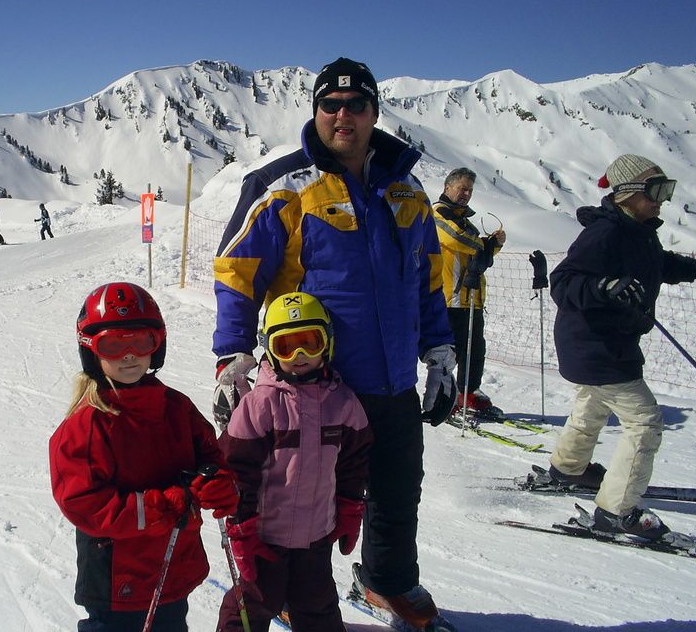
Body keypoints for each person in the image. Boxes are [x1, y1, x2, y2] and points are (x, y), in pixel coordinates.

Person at [212, 57, 457, 630]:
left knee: (398, 490)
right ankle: (292, 589)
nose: (343, 115)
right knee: (300, 500)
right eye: (331, 104)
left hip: (393, 382)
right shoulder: (283, 186)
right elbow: (236, 274)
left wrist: (440, 352)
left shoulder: (407, 189)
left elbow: (427, 279)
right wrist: (233, 354)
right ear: (317, 111)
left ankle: (386, 582)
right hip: (315, 385)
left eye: (356, 105)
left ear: (374, 112)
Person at [49, 282, 238, 632]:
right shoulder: (88, 424)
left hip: (172, 564)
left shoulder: (176, 407)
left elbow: (211, 457)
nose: (129, 355)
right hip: (117, 579)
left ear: (158, 345)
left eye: (141, 342)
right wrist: (157, 508)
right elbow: (82, 501)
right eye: (113, 345)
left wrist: (217, 483)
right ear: (91, 350)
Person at [548, 154, 696, 540]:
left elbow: (657, 264)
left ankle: (568, 468)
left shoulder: (636, 230)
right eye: (656, 190)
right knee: (645, 421)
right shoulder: (605, 233)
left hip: (599, 343)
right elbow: (563, 281)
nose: (663, 200)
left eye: (666, 190)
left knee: (592, 405)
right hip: (596, 345)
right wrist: (603, 287)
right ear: (627, 193)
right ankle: (617, 511)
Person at [217, 292, 372, 632]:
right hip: (265, 535)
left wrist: (349, 507)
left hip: (316, 534)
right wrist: (241, 526)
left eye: (309, 343)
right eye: (286, 347)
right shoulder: (260, 405)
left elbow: (354, 462)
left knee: (317, 604)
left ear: (327, 343)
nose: (299, 356)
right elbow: (236, 471)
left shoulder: (343, 404)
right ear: (270, 350)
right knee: (256, 602)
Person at [434, 167, 506, 418]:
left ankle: (468, 392)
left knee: (475, 352)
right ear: (447, 187)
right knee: (448, 354)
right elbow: (458, 240)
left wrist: (492, 245)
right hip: (448, 298)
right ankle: (443, 397)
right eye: (462, 188)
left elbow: (477, 253)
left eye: (470, 190)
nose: (466, 194)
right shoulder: (439, 213)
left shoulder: (464, 220)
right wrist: (486, 244)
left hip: (470, 298)